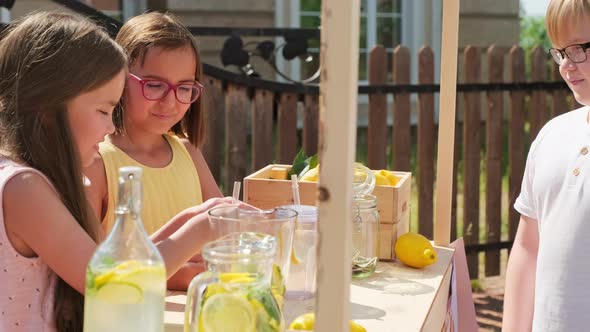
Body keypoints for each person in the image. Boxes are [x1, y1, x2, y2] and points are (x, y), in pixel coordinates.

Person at [0, 12, 232, 331]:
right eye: (103, 110)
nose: (110, 124)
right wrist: (199, 229)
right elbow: (108, 284)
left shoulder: (29, 183)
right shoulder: (23, 189)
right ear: (48, 107)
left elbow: (114, 263)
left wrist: (196, 217)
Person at [85, 12, 224, 291]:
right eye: (155, 85)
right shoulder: (96, 162)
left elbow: (222, 233)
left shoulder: (189, 153)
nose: (170, 101)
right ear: (120, 80)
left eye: (184, 88)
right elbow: (93, 266)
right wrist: (176, 274)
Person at [503, 1, 590, 331]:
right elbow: (527, 248)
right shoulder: (552, 135)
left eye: (579, 49)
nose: (567, 65)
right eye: (561, 52)